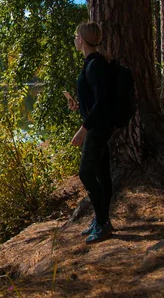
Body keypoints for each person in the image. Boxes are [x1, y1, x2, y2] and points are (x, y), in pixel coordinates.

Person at [66, 21, 114, 244]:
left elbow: (104, 102)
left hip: (97, 128)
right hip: (97, 125)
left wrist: (83, 129)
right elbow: (96, 100)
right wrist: (79, 107)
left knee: (86, 174)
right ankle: (101, 220)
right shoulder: (92, 64)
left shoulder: (95, 65)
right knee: (102, 174)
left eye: (76, 36)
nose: (75, 39)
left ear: (82, 40)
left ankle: (103, 223)